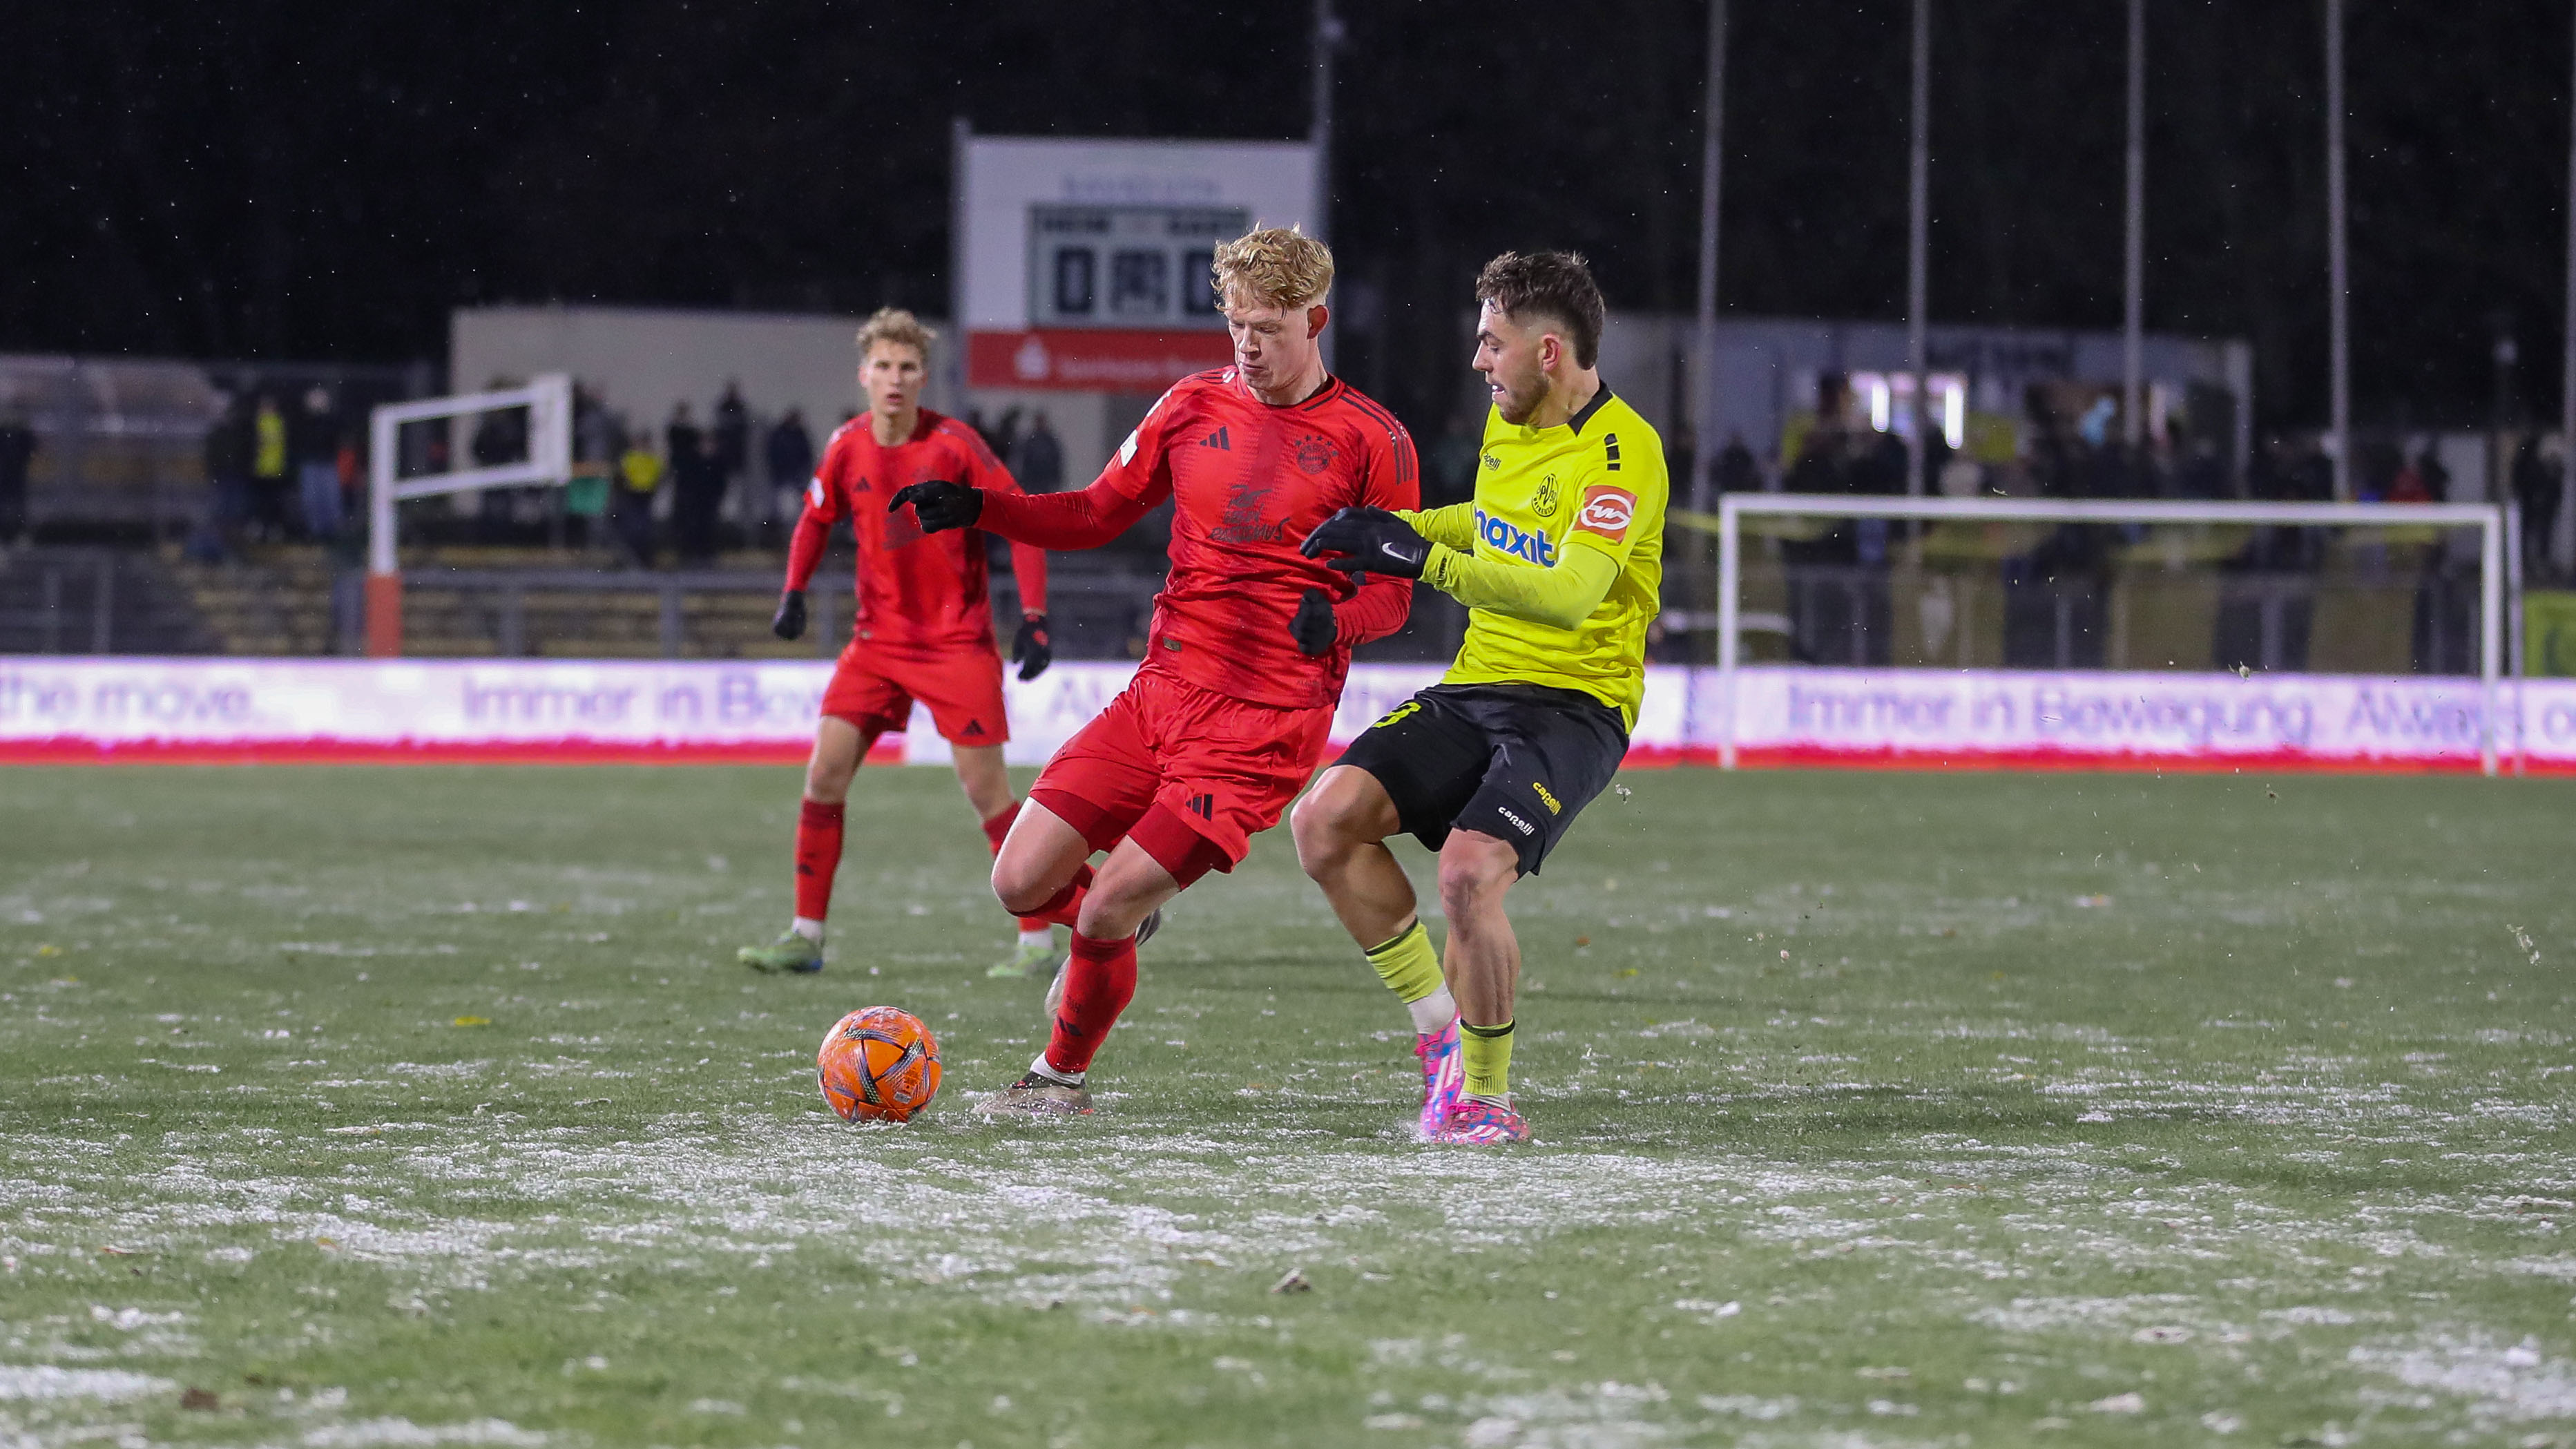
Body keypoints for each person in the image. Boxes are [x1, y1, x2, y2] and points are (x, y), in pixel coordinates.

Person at [887, 227, 1417, 1117]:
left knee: (1102, 912)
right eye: (1236, 324)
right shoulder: (1189, 405)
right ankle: (1121, 926)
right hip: (1158, 694)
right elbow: (1096, 511)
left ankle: (1057, 1081)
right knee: (1019, 882)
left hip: (1264, 723)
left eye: (1268, 327)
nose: (1247, 345)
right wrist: (984, 509)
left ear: (1316, 319)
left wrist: (1338, 621)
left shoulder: (1374, 440)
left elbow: (1396, 598)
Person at [1292, 250, 1668, 1146]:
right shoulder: (1511, 419)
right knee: (1324, 819)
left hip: (1574, 704)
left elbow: (1574, 592)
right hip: (1477, 684)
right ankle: (1439, 1040)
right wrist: (1394, 530)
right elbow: (1491, 522)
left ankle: (1486, 1099)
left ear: (1547, 351)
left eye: (1490, 343)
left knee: (1465, 873)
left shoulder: (1623, 452)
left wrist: (1420, 560)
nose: (1477, 361)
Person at [737, 308, 1063, 980]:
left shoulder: (956, 445)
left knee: (987, 795)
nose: (894, 378)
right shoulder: (846, 444)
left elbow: (1024, 521)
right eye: (883, 366)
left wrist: (1032, 615)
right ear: (863, 375)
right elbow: (814, 518)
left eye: (907, 367)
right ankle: (806, 935)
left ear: (922, 377)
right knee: (824, 776)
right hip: (876, 644)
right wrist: (792, 592)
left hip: (956, 644)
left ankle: (1042, 937)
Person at [295, 387, 341, 541]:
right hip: (311, 463)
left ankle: (331, 533)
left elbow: (335, 438)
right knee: (311, 500)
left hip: (327, 463)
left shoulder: (331, 421)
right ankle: (315, 532)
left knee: (330, 499)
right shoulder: (304, 421)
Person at [613, 426, 662, 568]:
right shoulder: (630, 458)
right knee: (633, 528)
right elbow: (622, 475)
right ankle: (633, 557)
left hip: (644, 495)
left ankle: (641, 557)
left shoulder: (650, 459)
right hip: (632, 495)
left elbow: (658, 475)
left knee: (642, 528)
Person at [765, 407, 815, 538]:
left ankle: (796, 528)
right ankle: (777, 529)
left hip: (795, 473)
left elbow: (806, 454)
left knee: (797, 503)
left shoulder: (798, 434)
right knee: (777, 504)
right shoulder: (781, 433)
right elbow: (773, 453)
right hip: (783, 473)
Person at [250, 394, 290, 540]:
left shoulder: (279, 422)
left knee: (274, 502)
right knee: (261, 502)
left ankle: (274, 529)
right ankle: (261, 529)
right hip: (261, 469)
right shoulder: (258, 422)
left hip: (275, 469)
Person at [0, 406, 35, 546]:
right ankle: (15, 533)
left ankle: (15, 532)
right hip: (10, 479)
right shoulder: (14, 434)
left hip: (14, 479)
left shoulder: (21, 434)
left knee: (15, 504)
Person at [1013, 410, 1064, 494]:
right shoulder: (1031, 441)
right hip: (1033, 481)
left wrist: (1056, 479)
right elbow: (1024, 461)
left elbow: (1056, 460)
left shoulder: (1050, 441)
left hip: (1045, 481)